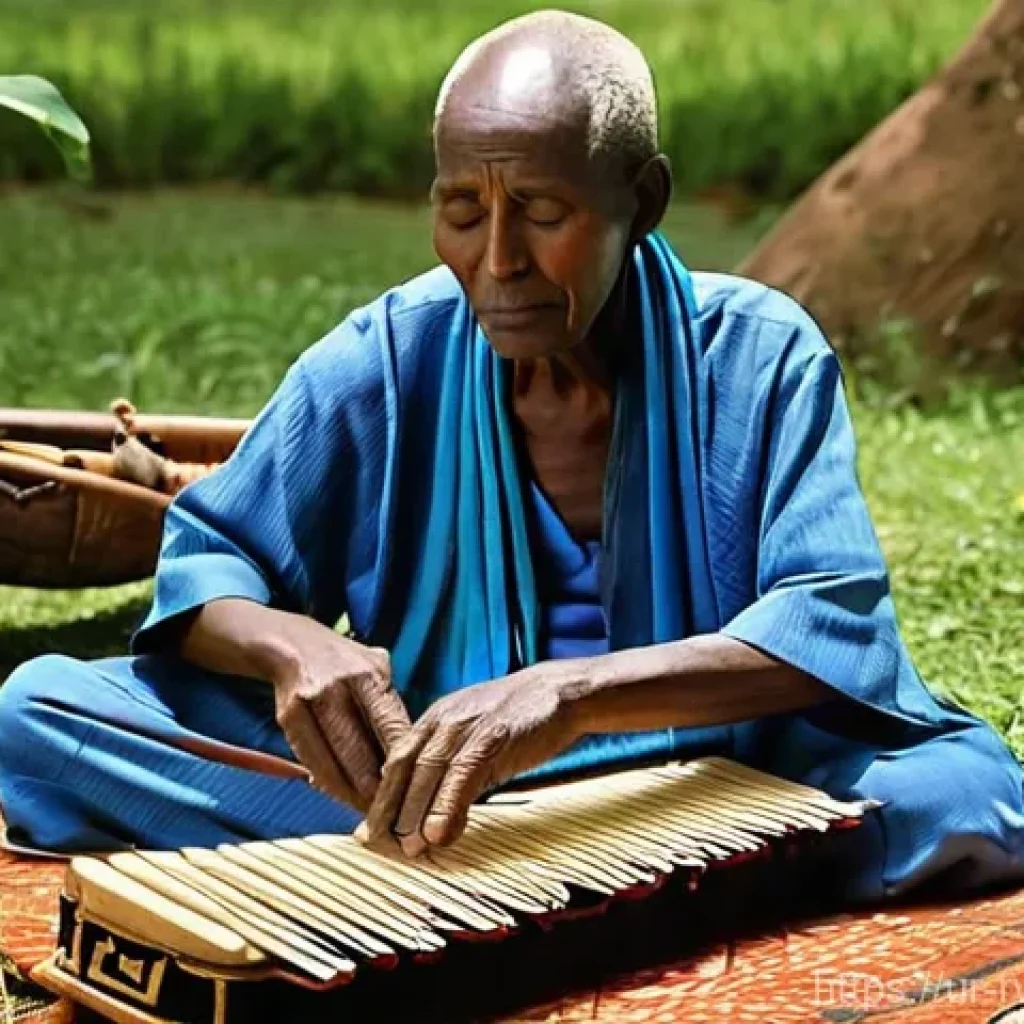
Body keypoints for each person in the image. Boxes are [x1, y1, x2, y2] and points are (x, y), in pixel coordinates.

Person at [0, 10, 1021, 907]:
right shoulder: (388, 357)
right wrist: (288, 646)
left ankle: (524, 879)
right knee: (40, 712)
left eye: (541, 212)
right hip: (443, 787)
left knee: (961, 793)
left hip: (720, 773)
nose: (497, 262)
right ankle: (645, 886)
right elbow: (213, 556)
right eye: (460, 211)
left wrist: (567, 697)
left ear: (643, 200)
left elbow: (825, 622)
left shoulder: (757, 354)